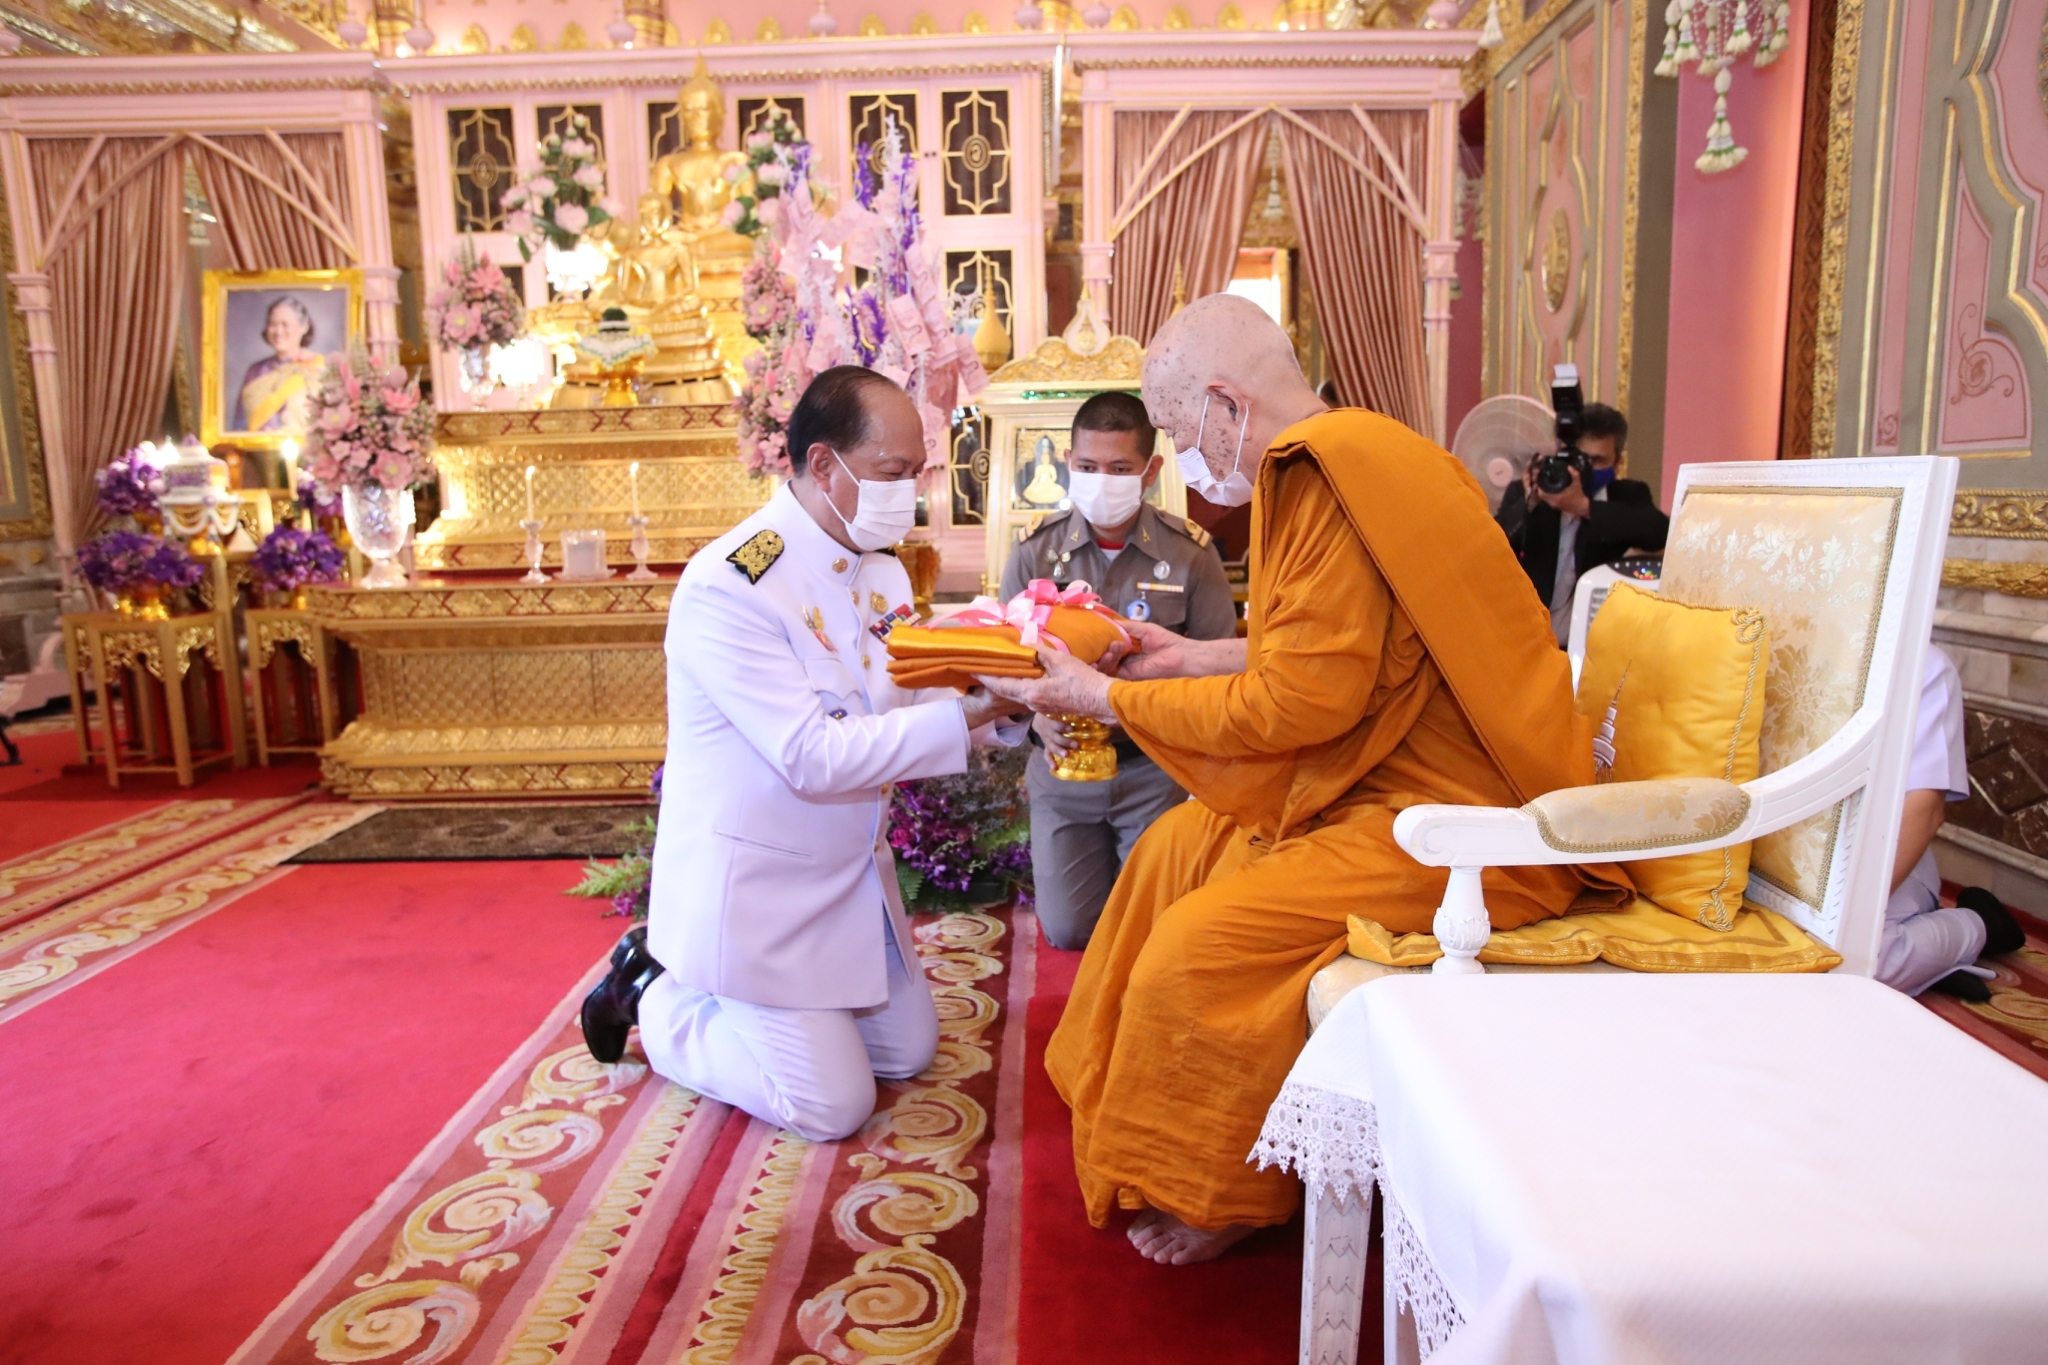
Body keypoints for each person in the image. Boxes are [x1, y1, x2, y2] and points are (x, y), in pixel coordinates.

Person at [976, 295, 1629, 1265]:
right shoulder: (1364, 454)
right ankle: (1111, 1090)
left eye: (1180, 437)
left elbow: (1300, 705)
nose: (1184, 468)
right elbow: (1327, 649)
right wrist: (1182, 656)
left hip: (1448, 819)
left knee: (1200, 945)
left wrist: (1106, 702)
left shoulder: (1325, 471)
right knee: (1168, 849)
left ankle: (1222, 1186)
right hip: (1370, 780)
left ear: (1227, 406)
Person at [579, 365, 1024, 1143]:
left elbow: (912, 702)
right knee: (831, 1105)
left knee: (909, 1052)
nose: (910, 494)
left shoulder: (879, 569)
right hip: (762, 896)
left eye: (916, 474)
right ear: (824, 465)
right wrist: (971, 712)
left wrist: (1011, 711)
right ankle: (651, 987)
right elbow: (812, 757)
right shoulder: (733, 583)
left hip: (850, 878)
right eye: (893, 473)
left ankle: (762, 1005)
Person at [999, 391, 1237, 950]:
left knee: (1157, 929)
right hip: (1060, 770)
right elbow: (1004, 666)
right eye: (1086, 467)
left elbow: (1220, 675)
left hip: (1156, 770)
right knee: (1068, 930)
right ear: (1066, 462)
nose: (1100, 480)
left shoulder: (1191, 555)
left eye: (1118, 469)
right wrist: (1037, 723)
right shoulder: (1036, 553)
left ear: (1150, 471)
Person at [1878, 642, 2024, 999]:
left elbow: (1924, 811)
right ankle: (1936, 963)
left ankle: (1978, 925)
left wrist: (1844, 917)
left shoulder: (1922, 664)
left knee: (1853, 963)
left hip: (1888, 862)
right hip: (1782, 861)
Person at [1494, 402, 1668, 644]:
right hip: (1526, 639)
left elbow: (1658, 532)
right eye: (1580, 458)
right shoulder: (1528, 491)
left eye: (1597, 461)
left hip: (1592, 643)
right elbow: (1493, 546)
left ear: (1617, 461)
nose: (1585, 468)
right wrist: (1530, 503)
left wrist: (1584, 507)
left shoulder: (1629, 495)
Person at [233, 296, 326, 434]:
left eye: (285, 324)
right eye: (273, 324)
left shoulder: (318, 367)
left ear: (304, 327)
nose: (278, 331)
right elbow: (240, 425)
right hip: (256, 451)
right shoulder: (256, 371)